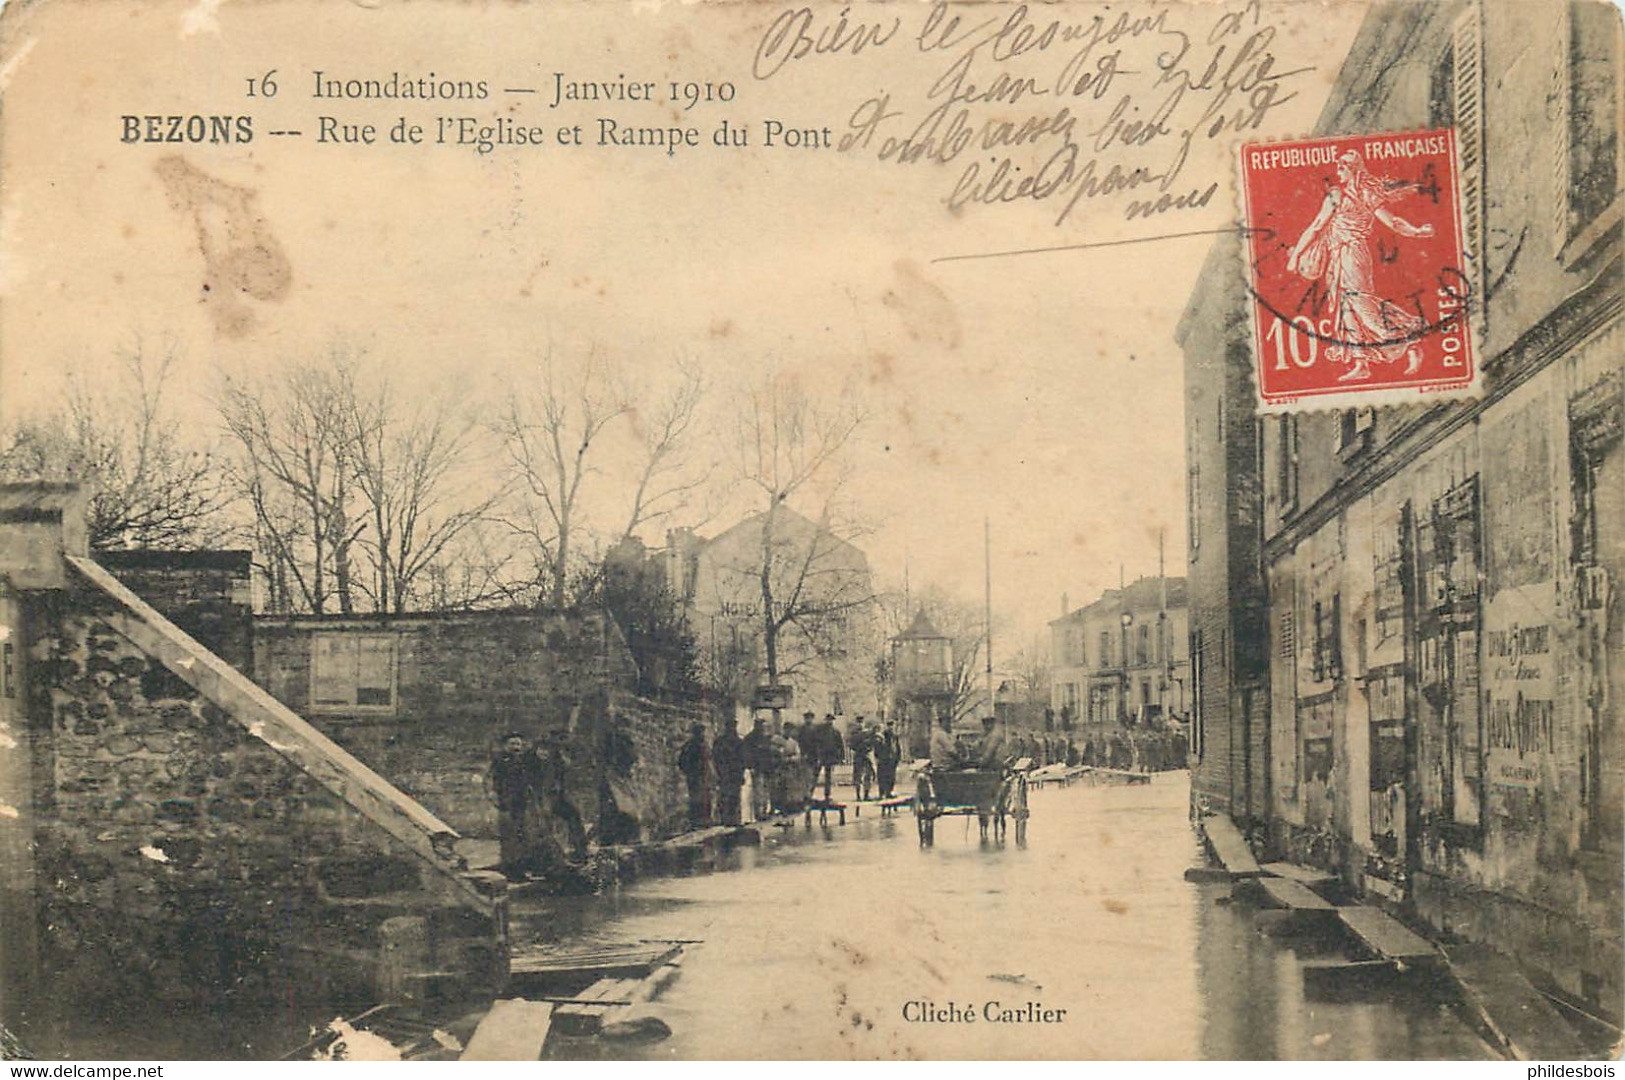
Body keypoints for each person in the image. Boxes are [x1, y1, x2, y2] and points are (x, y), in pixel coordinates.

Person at [1286, 149, 1436, 382]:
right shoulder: (1339, 195)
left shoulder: (1362, 195)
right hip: (1337, 257)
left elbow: (1392, 221)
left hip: (1353, 255)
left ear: (1354, 169)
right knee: (1346, 309)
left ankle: (1410, 340)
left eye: (1343, 166)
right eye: (1338, 166)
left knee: (1362, 306)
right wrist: (1296, 254)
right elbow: (1316, 226)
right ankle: (1361, 362)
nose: (1338, 171)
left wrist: (1417, 231)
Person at [485, 731, 546, 881]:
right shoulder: (499, 761)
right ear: (506, 746)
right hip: (506, 804)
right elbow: (489, 781)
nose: (515, 747)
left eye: (518, 744)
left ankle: (523, 870)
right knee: (509, 838)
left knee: (525, 837)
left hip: (523, 804)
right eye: (512, 744)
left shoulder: (524, 761)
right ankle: (510, 871)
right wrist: (493, 796)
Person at [712, 717, 746, 826]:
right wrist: (719, 771)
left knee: (733, 797)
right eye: (730, 727)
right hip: (725, 773)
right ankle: (725, 819)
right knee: (725, 796)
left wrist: (741, 773)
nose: (732, 729)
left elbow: (743, 759)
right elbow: (716, 758)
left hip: (734, 773)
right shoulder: (721, 742)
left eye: (733, 727)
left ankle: (732, 819)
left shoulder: (738, 742)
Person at [677, 723, 711, 829]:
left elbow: (709, 760)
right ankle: (696, 821)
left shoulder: (705, 744)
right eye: (700, 733)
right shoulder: (690, 746)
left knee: (706, 797)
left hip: (705, 776)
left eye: (703, 732)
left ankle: (705, 820)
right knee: (696, 798)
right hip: (695, 776)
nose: (703, 735)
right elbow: (682, 761)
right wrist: (690, 772)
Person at [742, 715, 773, 821]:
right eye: (759, 725)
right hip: (757, 768)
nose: (761, 727)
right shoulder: (750, 738)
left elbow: (769, 753)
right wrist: (750, 766)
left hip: (766, 768)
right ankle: (758, 813)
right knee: (758, 791)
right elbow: (747, 754)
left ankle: (764, 811)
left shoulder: (765, 738)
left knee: (765, 791)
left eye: (762, 725)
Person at [809, 713, 844, 800]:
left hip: (830, 756)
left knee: (828, 777)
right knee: (815, 775)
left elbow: (840, 744)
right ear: (826, 720)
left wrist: (841, 757)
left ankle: (827, 795)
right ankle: (809, 793)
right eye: (828, 720)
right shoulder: (819, 730)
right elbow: (814, 742)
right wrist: (815, 753)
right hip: (821, 755)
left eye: (831, 720)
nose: (830, 722)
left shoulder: (836, 731)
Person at [847, 717, 875, 801]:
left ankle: (866, 795)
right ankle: (858, 795)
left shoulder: (868, 733)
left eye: (861, 722)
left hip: (866, 756)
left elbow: (873, 742)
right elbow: (850, 745)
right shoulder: (854, 734)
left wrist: (868, 746)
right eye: (859, 722)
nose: (860, 724)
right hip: (859, 756)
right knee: (858, 776)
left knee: (868, 775)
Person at [874, 719, 902, 798]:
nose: (891, 727)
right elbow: (878, 747)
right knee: (882, 776)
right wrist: (878, 757)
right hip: (884, 759)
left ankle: (889, 792)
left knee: (891, 777)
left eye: (892, 726)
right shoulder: (883, 736)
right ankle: (882, 793)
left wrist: (898, 758)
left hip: (892, 759)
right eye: (890, 726)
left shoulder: (895, 736)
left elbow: (897, 747)